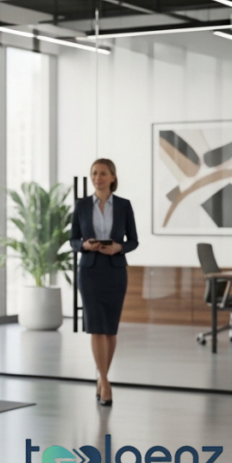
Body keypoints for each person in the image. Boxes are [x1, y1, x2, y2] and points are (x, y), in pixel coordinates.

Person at [70, 158, 138, 407]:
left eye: (102, 173)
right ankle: (106, 382)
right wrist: (85, 245)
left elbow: (133, 240)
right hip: (89, 271)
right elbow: (73, 239)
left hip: (115, 270)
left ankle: (102, 378)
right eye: (94, 173)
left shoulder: (123, 205)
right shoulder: (81, 205)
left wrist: (118, 247)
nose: (97, 178)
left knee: (109, 328)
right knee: (96, 327)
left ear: (112, 177)